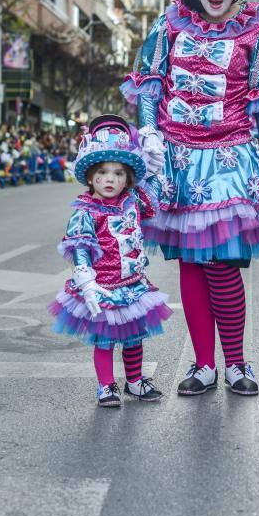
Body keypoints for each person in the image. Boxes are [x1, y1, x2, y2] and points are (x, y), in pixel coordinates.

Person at [120, 0, 259, 397]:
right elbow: (150, 84)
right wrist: (149, 135)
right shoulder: (169, 24)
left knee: (220, 265)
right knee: (191, 266)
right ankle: (202, 365)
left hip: (228, 162)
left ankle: (236, 363)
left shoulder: (258, 31)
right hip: (176, 162)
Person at [48, 114, 172, 407]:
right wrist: (86, 281)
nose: (110, 179)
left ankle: (135, 381)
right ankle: (106, 386)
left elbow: (157, 200)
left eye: (118, 173)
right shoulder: (85, 210)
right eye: (102, 172)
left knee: (134, 336)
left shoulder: (133, 201)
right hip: (102, 287)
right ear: (91, 177)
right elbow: (79, 247)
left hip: (132, 285)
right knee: (104, 340)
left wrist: (154, 167)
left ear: (128, 179)